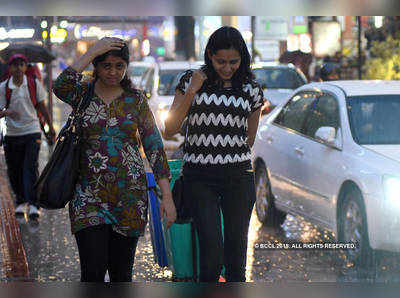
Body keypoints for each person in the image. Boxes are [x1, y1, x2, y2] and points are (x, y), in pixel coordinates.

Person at [53, 37, 176, 282]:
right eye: (106, 65)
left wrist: (167, 197)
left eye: (119, 66)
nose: (113, 72)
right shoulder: (82, 94)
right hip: (87, 197)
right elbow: (60, 85)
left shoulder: (136, 99)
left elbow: (154, 146)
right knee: (92, 272)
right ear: (96, 66)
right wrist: (92, 51)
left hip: (129, 197)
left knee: (122, 275)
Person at [164, 26, 269, 282]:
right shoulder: (191, 80)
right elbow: (170, 129)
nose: (227, 67)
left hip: (238, 178)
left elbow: (249, 137)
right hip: (199, 179)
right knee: (211, 257)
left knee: (236, 260)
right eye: (221, 61)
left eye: (234, 61)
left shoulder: (251, 89)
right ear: (209, 55)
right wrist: (193, 91)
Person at [0, 53, 55, 219]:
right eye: (15, 64)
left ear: (25, 67)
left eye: (21, 64)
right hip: (12, 134)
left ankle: (33, 204)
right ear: (10, 68)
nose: (18, 67)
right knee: (14, 169)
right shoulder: (3, 87)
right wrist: (7, 112)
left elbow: (42, 107)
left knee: (29, 167)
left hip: (32, 131)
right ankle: (21, 201)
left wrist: (50, 127)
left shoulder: (33, 84)